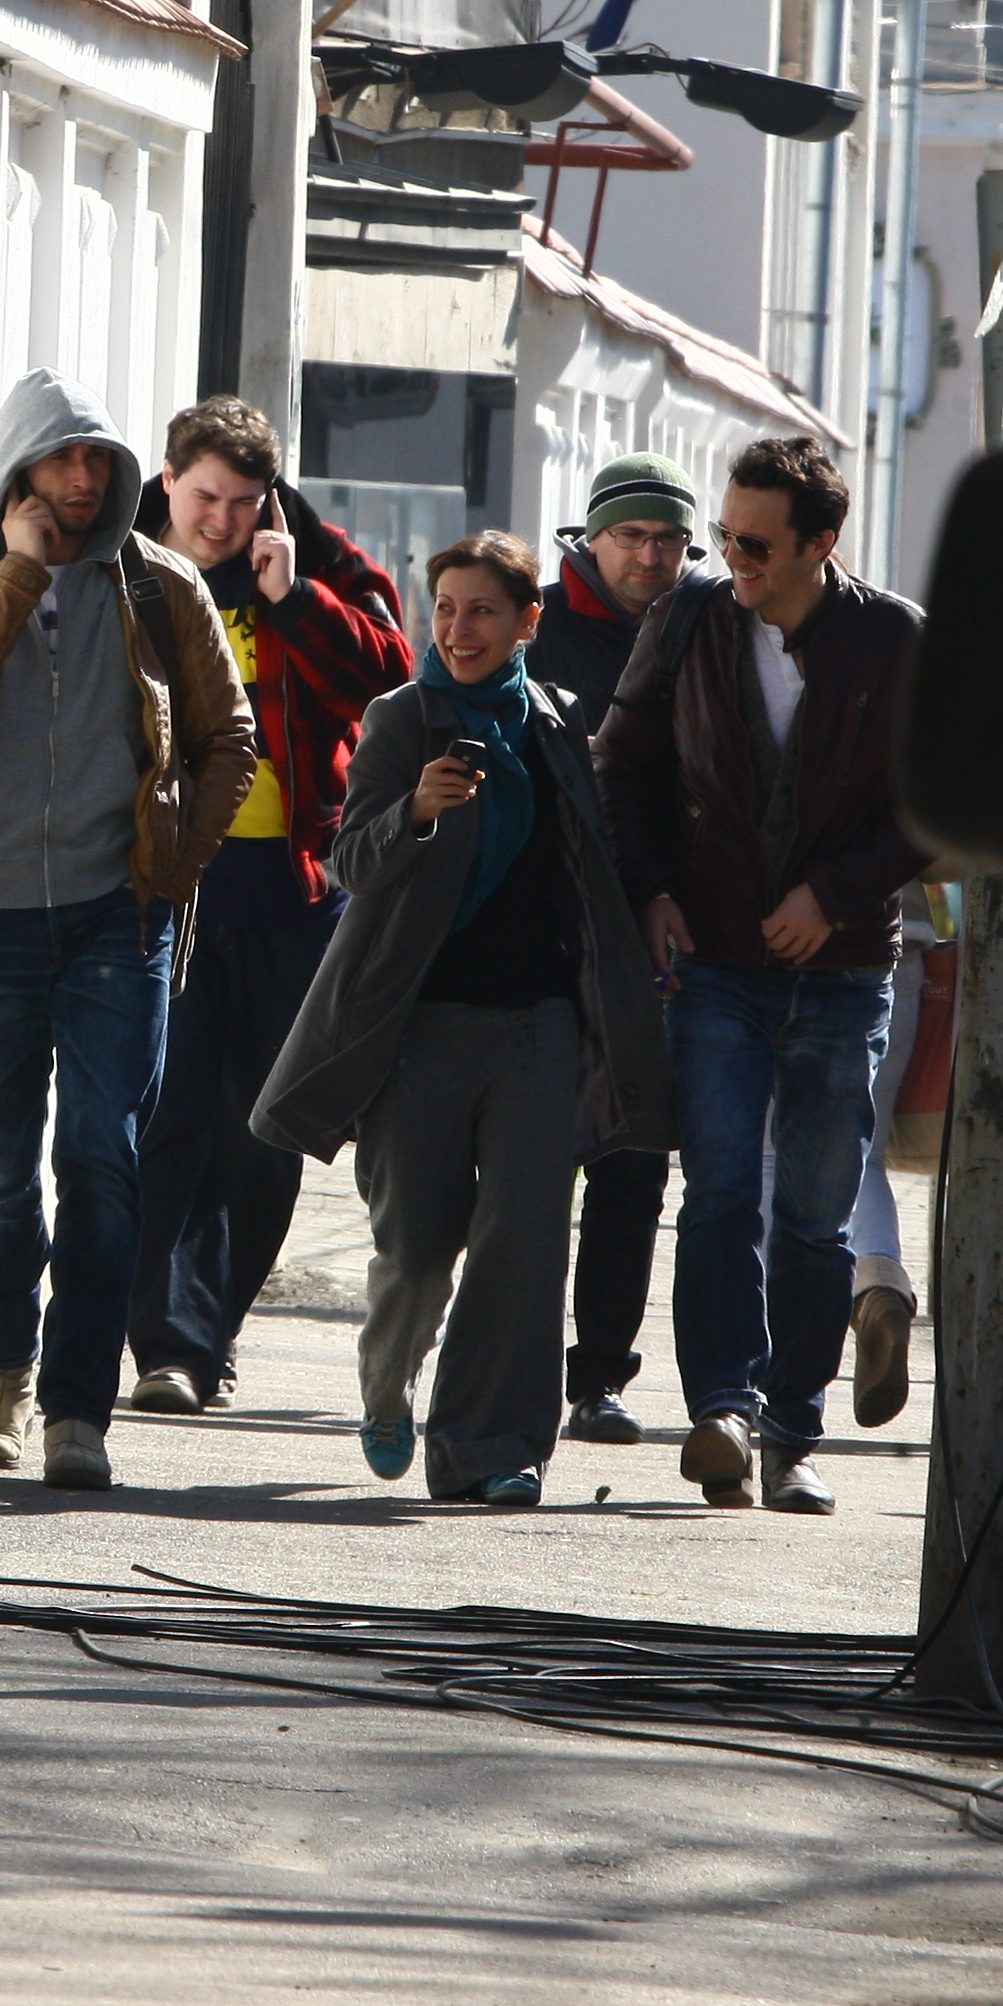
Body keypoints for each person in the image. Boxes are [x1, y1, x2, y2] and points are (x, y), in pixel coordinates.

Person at [0, 369, 255, 1492]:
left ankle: (78, 1409)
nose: (83, 481)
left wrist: (173, 860)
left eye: (98, 461)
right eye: (60, 460)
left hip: (113, 914)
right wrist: (18, 576)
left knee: (103, 1156)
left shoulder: (159, 586)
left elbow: (229, 736)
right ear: (17, 470)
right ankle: (1, 1372)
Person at [253, 534, 672, 1507]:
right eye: (444, 607)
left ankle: (492, 1445)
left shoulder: (563, 728)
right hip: (418, 1026)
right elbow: (350, 862)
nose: (458, 628)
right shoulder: (403, 720)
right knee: (417, 1245)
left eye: (482, 609)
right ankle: (389, 1380)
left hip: (538, 1027)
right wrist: (417, 812)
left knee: (525, 1237)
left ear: (530, 621)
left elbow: (602, 867)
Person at [593, 437, 927, 1516]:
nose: (728, 558)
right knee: (721, 1193)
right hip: (719, 965)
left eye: (754, 543)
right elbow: (625, 765)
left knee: (816, 1216)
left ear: (822, 545)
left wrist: (833, 893)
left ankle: (793, 1432)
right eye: (723, 537)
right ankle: (721, 1413)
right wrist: (650, 891)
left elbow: (933, 801)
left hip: (841, 968)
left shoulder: (894, 640)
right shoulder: (688, 621)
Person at [124, 398, 410, 1416]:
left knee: (267, 1133)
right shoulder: (133, 570)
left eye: (244, 502)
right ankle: (167, 1341)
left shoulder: (315, 562)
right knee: (174, 1122)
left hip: (293, 897)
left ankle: (216, 1326)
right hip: (167, 889)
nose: (222, 520)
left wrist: (296, 605)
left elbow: (392, 676)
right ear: (169, 480)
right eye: (205, 496)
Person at [528, 452, 699, 1448]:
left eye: (670, 540)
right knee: (528, 1166)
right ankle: (505, 1358)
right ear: (591, 539)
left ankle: (599, 1376)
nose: (650, 555)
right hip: (544, 932)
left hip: (653, 941)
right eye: (632, 536)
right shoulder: (536, 625)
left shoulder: (705, 634)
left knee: (634, 1167)